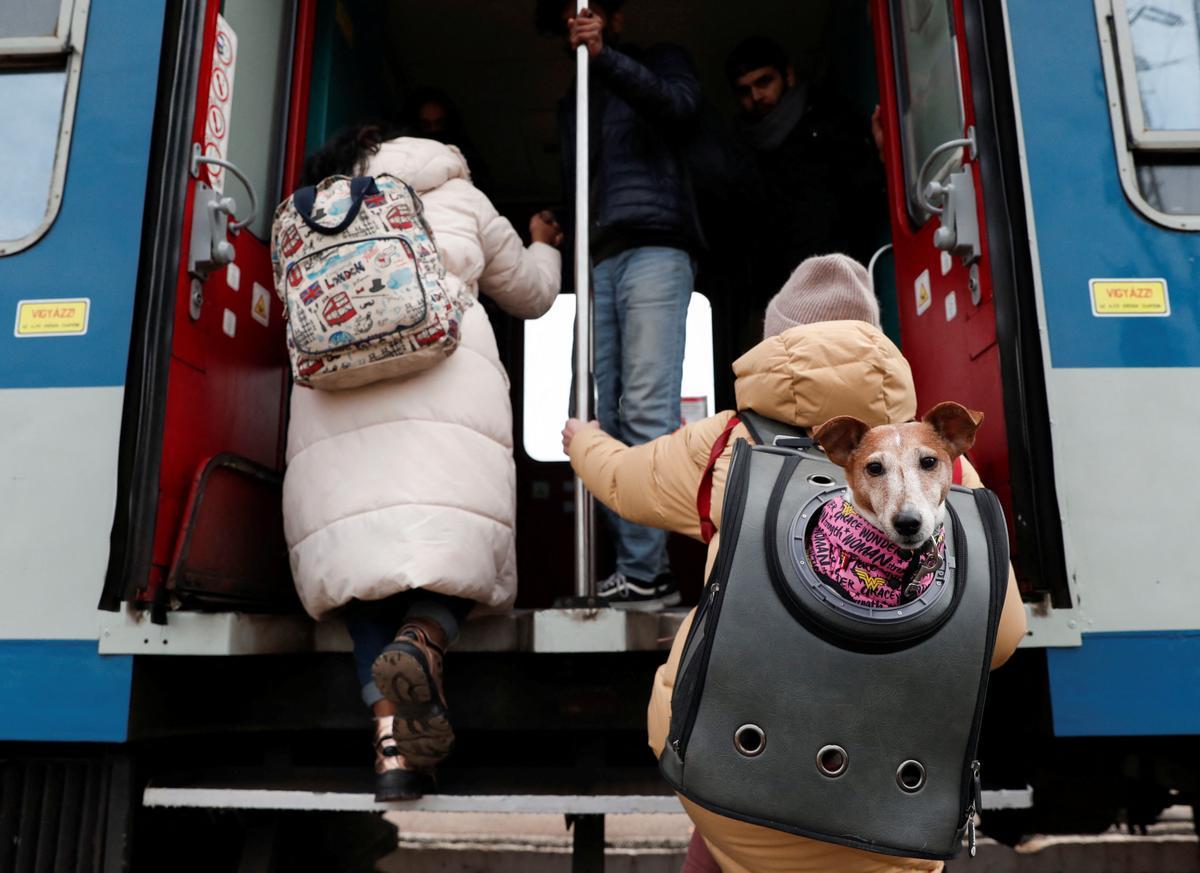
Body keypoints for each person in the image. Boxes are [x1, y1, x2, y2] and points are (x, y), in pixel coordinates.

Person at [562, 254, 1027, 873]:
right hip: (895, 797)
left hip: (731, 766)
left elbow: (623, 478)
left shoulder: (726, 442)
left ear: (775, 345)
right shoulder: (940, 465)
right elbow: (1000, 637)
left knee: (720, 822)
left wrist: (582, 441)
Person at [283, 126, 563, 801]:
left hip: (334, 396)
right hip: (447, 379)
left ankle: (393, 757)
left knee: (361, 567)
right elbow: (531, 295)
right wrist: (546, 248)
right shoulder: (462, 195)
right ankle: (425, 635)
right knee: (456, 540)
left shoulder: (317, 207)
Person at [538, 0, 703, 609]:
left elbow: (683, 110)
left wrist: (606, 59)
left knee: (645, 407)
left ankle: (647, 573)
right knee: (597, 413)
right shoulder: (574, 103)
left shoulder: (660, 63)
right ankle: (636, 571)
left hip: (656, 247)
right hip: (598, 256)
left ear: (614, 20)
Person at [726, 37, 886, 305]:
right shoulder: (739, 151)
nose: (756, 97)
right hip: (783, 295)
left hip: (842, 277)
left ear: (787, 75)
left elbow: (866, 190)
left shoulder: (830, 116)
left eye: (764, 82)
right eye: (744, 91)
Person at [398, 87, 495, 195]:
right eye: (425, 125)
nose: (433, 130)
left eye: (439, 123)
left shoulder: (464, 152)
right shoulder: (404, 157)